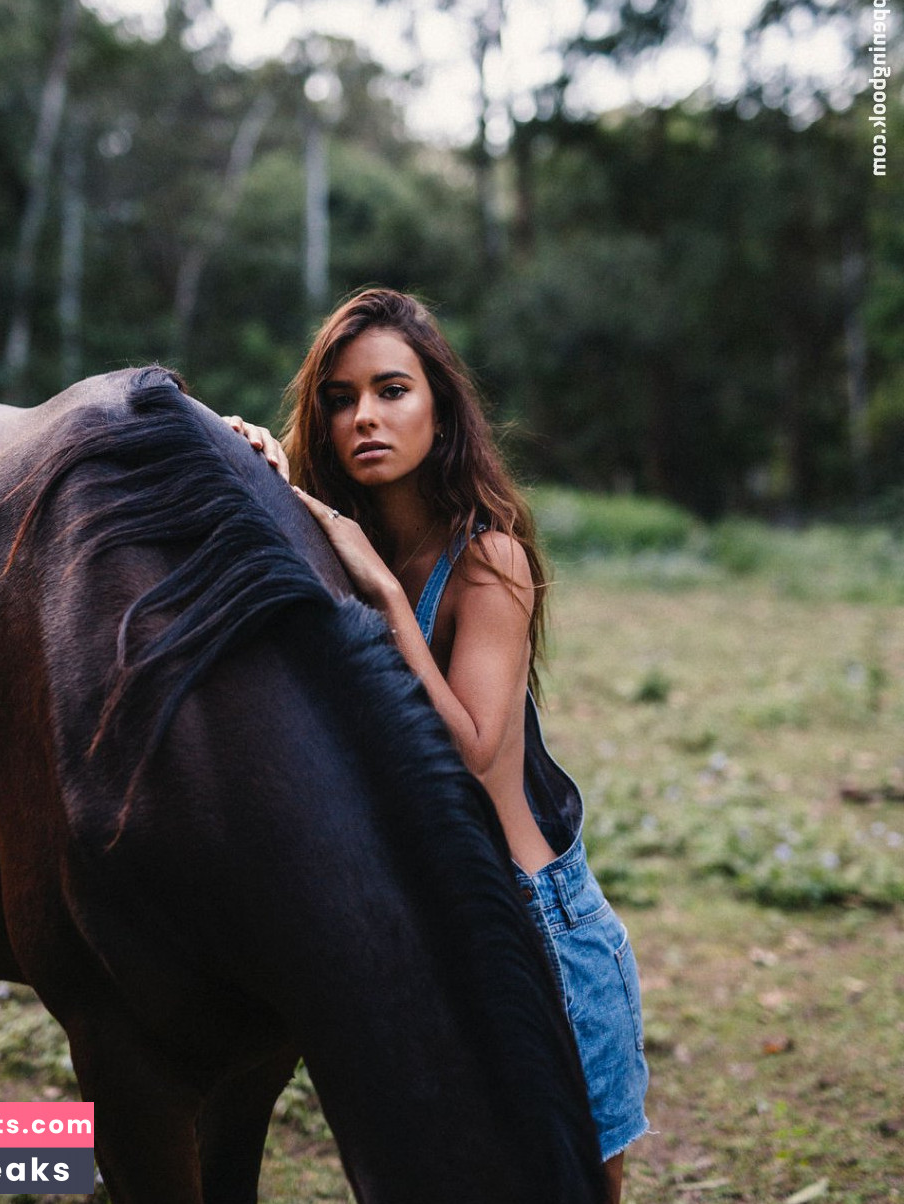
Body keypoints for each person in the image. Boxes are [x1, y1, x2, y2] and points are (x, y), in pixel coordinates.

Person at [223, 287, 649, 1202]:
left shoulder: (487, 560)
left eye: (391, 390)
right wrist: (257, 460)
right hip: (429, 922)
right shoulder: (342, 538)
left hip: (538, 928)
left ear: (441, 409)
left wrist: (379, 590)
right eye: (339, 399)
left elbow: (470, 755)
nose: (364, 416)